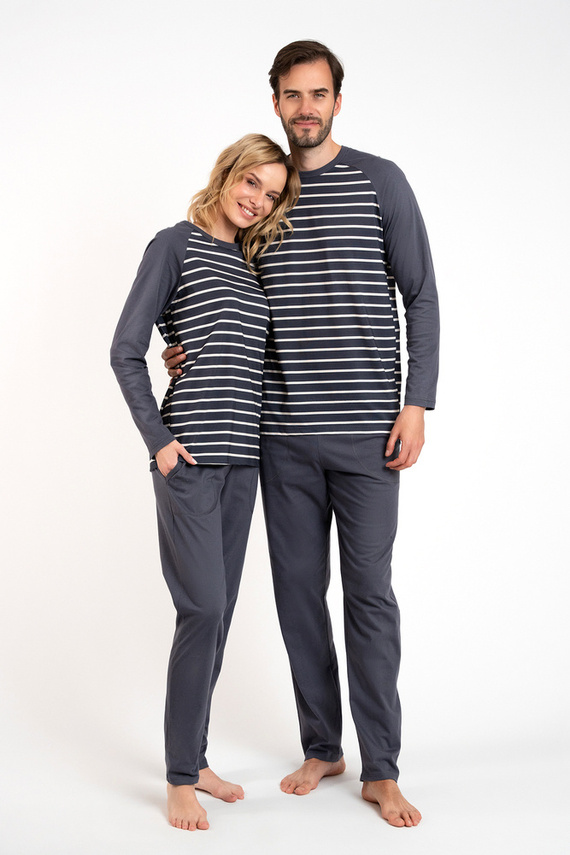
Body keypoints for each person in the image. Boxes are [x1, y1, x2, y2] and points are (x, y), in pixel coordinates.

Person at [163, 41, 439, 828]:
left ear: (337, 102)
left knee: (370, 596)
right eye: (292, 95)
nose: (306, 107)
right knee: (297, 600)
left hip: (369, 435)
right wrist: (180, 344)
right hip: (279, 437)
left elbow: (420, 295)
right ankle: (324, 746)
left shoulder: (382, 182)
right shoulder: (264, 195)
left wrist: (416, 402)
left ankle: (382, 768)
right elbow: (220, 286)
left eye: (318, 94)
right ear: (276, 102)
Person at [110, 133, 300, 831]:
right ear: (226, 175)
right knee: (203, 610)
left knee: (218, 618)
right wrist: (159, 443)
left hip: (244, 463)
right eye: (251, 183)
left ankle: (196, 755)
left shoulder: (251, 266)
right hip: (188, 460)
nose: (257, 201)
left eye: (271, 195)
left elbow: (225, 351)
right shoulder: (174, 245)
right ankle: (179, 778)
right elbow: (125, 349)